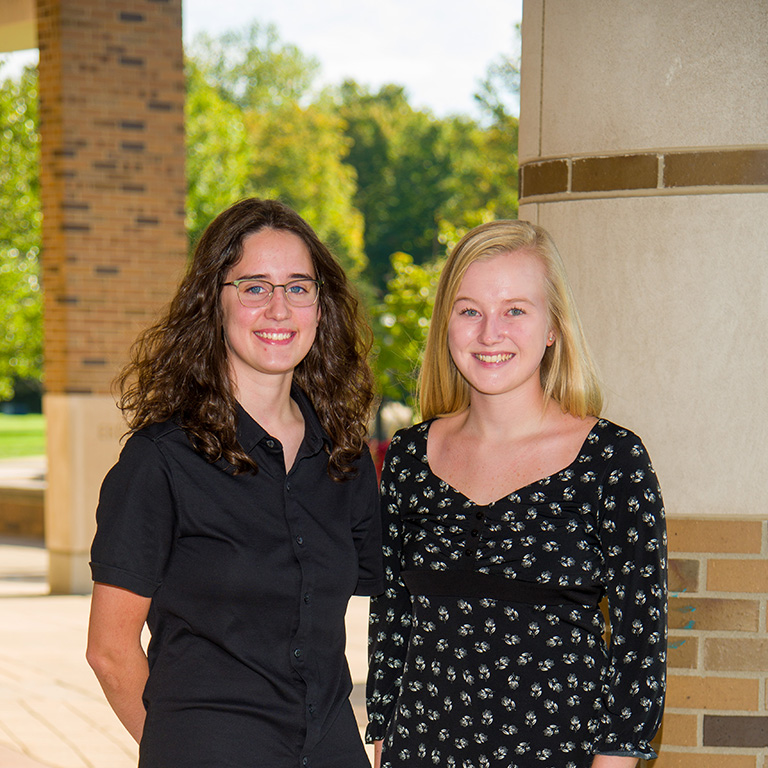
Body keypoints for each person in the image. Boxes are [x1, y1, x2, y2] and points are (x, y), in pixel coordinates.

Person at [86, 198, 383, 768]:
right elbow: (109, 651)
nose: (279, 308)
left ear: (321, 307)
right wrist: (180, 748)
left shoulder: (343, 458)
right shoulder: (160, 460)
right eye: (254, 287)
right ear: (213, 304)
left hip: (331, 749)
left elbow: (392, 595)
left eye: (299, 287)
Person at [366, 220, 666, 768]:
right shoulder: (409, 458)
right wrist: (384, 732)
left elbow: (639, 646)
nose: (489, 333)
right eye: (470, 310)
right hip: (423, 751)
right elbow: (392, 617)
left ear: (553, 327)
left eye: (515, 310)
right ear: (446, 325)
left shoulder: (612, 460)